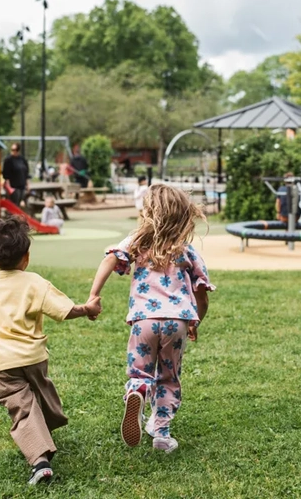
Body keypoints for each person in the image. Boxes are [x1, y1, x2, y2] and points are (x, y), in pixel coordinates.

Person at [87, 185, 214, 453]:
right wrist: (196, 322)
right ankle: (162, 435)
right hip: (177, 322)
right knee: (168, 376)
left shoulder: (137, 242)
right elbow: (202, 293)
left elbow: (110, 261)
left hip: (143, 320)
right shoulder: (187, 251)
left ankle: (138, 391)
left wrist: (93, 295)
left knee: (140, 370)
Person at [0, 217, 101, 485]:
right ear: (27, 257)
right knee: (40, 391)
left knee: (21, 406)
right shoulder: (34, 283)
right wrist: (87, 309)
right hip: (33, 357)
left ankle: (39, 457)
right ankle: (43, 441)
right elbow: (64, 310)